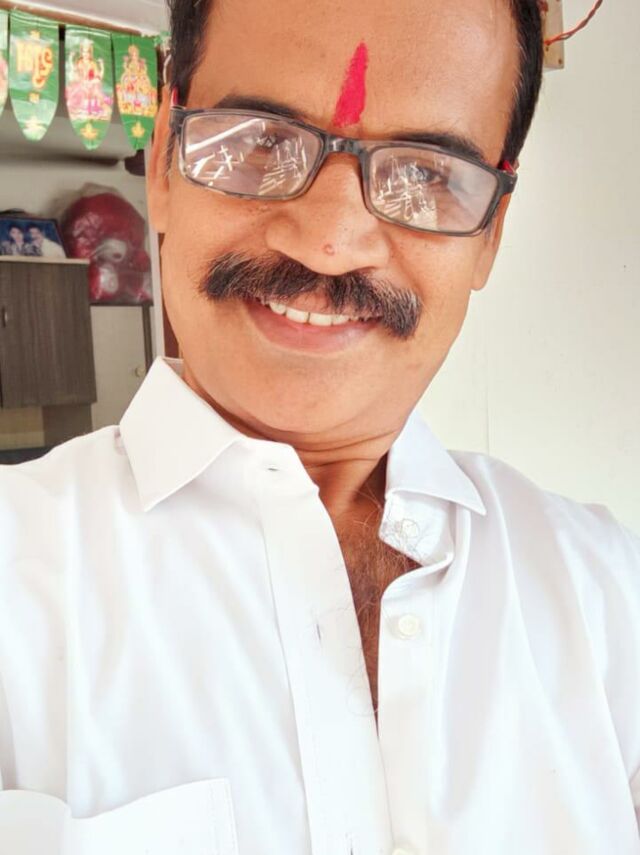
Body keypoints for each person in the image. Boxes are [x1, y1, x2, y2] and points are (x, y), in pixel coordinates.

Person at [0, 1, 638, 853]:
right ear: (161, 163)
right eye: (261, 140)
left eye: (425, 173)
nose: (330, 241)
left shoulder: (606, 595)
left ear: (490, 235)